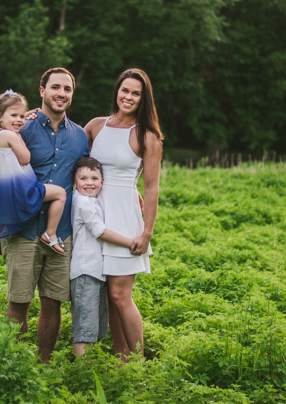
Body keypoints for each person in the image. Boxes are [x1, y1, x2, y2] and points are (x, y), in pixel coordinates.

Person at [0, 68, 89, 363]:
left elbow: (92, 175)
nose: (61, 93)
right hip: (22, 230)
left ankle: (42, 364)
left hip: (60, 234)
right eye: (55, 87)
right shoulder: (21, 128)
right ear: (42, 90)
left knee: (53, 303)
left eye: (67, 88)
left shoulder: (79, 137)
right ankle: (15, 366)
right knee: (18, 303)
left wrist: (132, 187)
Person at [84, 68, 163, 360]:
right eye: (125, 90)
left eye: (136, 93)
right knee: (108, 295)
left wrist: (147, 232)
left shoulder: (147, 136)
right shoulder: (96, 126)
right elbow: (63, 142)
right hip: (95, 217)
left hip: (125, 218)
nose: (128, 97)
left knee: (120, 294)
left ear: (143, 99)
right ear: (117, 91)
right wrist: (33, 115)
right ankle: (122, 358)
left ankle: (140, 361)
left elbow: (152, 187)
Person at [0, 91, 67, 254]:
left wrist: (21, 117)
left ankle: (2, 236)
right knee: (60, 193)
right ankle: (50, 233)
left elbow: (10, 122)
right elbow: (25, 159)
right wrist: (19, 136)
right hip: (20, 192)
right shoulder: (11, 135)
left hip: (3, 194)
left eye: (21, 116)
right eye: (14, 115)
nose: (19, 120)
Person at [70, 157, 135, 356]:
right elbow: (101, 231)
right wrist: (130, 243)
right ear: (74, 182)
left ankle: (89, 370)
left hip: (95, 272)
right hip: (85, 271)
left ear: (102, 181)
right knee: (84, 328)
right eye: (83, 178)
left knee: (92, 325)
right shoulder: (83, 203)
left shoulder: (92, 201)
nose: (89, 183)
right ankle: (84, 374)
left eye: (94, 178)